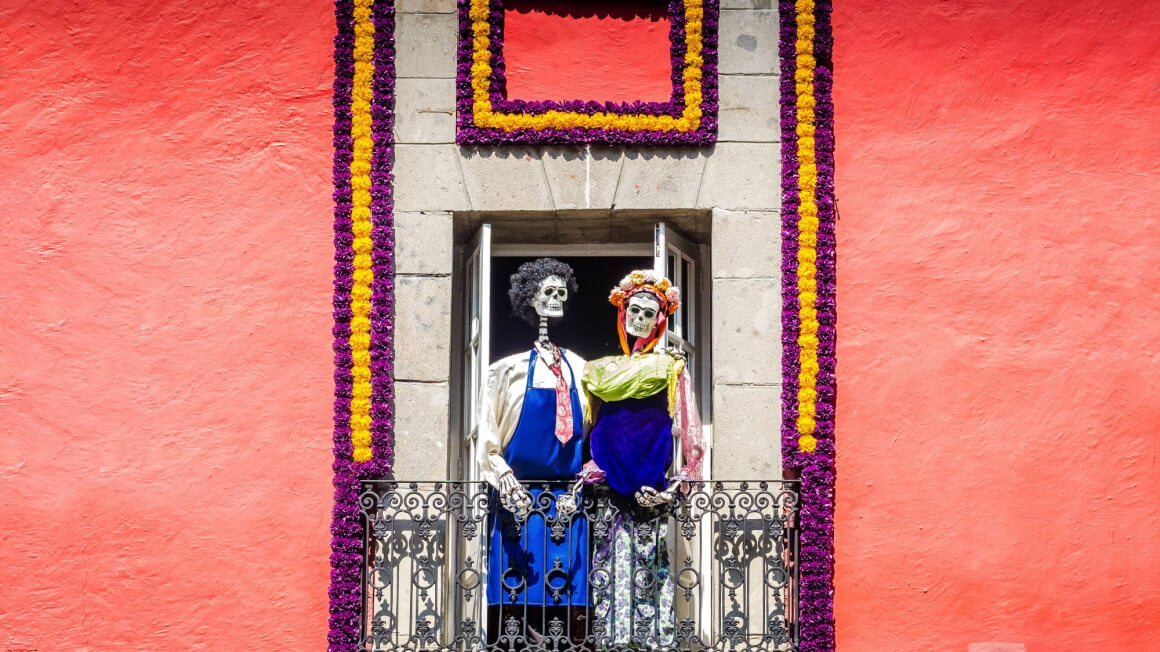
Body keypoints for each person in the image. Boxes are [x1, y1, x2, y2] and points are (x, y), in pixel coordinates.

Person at [581, 269, 704, 648]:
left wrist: (680, 483)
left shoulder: (670, 367)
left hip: (649, 489)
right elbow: (588, 427)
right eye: (634, 310)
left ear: (660, 321)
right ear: (623, 313)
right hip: (604, 487)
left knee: (648, 575)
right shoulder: (599, 370)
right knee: (606, 574)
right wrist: (584, 467)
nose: (640, 319)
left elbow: (689, 430)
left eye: (649, 314)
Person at [477, 258, 590, 646]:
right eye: (548, 291)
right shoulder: (505, 371)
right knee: (516, 588)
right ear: (531, 298)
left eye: (562, 292)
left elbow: (593, 432)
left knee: (566, 587)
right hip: (517, 500)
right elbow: (486, 437)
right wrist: (505, 481)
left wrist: (580, 486)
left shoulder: (579, 367)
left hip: (566, 501)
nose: (556, 298)